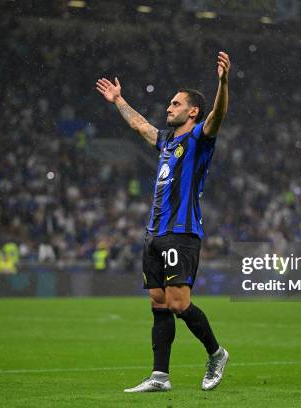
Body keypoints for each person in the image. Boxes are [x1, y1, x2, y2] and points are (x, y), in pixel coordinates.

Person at [96, 51, 231, 392]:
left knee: (179, 304)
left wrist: (223, 82)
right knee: (158, 302)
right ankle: (160, 376)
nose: (168, 108)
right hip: (154, 233)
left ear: (192, 111)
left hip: (181, 233)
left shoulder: (199, 138)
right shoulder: (167, 141)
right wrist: (119, 100)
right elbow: (140, 125)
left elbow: (219, 115)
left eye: (175, 104)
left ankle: (216, 353)